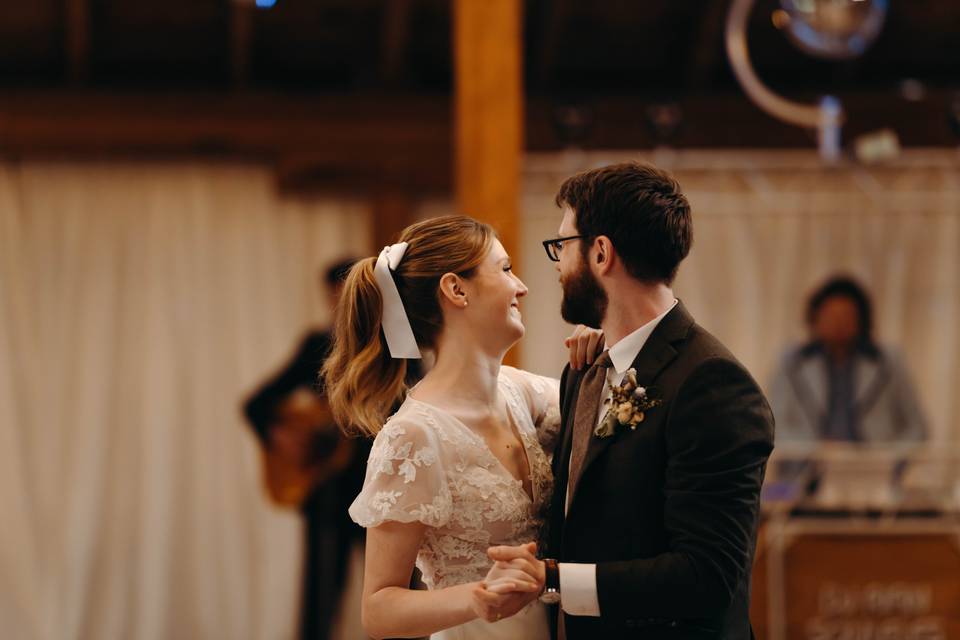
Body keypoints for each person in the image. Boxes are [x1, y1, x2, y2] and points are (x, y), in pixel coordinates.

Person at [488, 162, 776, 639]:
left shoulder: (713, 384)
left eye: (562, 245)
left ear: (601, 252)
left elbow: (708, 576)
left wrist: (553, 580)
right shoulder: (584, 373)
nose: (558, 264)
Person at [323, 215, 600, 640]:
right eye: (505, 269)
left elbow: (602, 414)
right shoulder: (413, 436)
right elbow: (378, 608)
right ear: (456, 289)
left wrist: (603, 351)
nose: (521, 287)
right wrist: (475, 597)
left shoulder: (522, 393)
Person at [243, 259, 369, 640]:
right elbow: (256, 404)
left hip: (379, 492)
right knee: (320, 598)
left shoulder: (389, 348)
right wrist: (283, 436)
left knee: (398, 592)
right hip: (328, 491)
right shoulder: (318, 345)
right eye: (334, 296)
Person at [768, 275, 927, 444]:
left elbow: (917, 427)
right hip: (807, 467)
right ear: (815, 318)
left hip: (873, 466)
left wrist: (890, 460)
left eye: (846, 316)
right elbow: (774, 424)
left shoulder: (887, 361)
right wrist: (812, 450)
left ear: (861, 320)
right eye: (831, 315)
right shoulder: (793, 362)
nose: (838, 324)